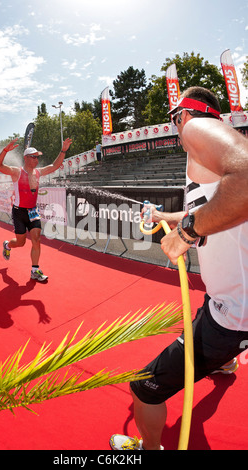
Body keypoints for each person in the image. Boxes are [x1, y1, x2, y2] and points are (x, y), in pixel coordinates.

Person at [110, 86, 248, 450]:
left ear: (185, 114)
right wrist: (166, 217)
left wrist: (186, 234)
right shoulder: (208, 156)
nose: (175, 128)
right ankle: (226, 364)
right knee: (206, 310)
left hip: (233, 315)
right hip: (228, 304)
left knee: (145, 387)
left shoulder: (195, 129)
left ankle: (149, 448)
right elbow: (206, 212)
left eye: (174, 118)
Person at [0, 137, 72, 282]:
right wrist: (5, 150)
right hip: (19, 212)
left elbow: (55, 166)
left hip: (33, 211)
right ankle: (7, 245)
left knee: (36, 239)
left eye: (37, 157)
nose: (37, 159)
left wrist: (63, 150)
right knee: (20, 242)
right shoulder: (16, 172)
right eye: (34, 157)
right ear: (26, 158)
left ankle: (35, 271)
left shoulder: (38, 172)